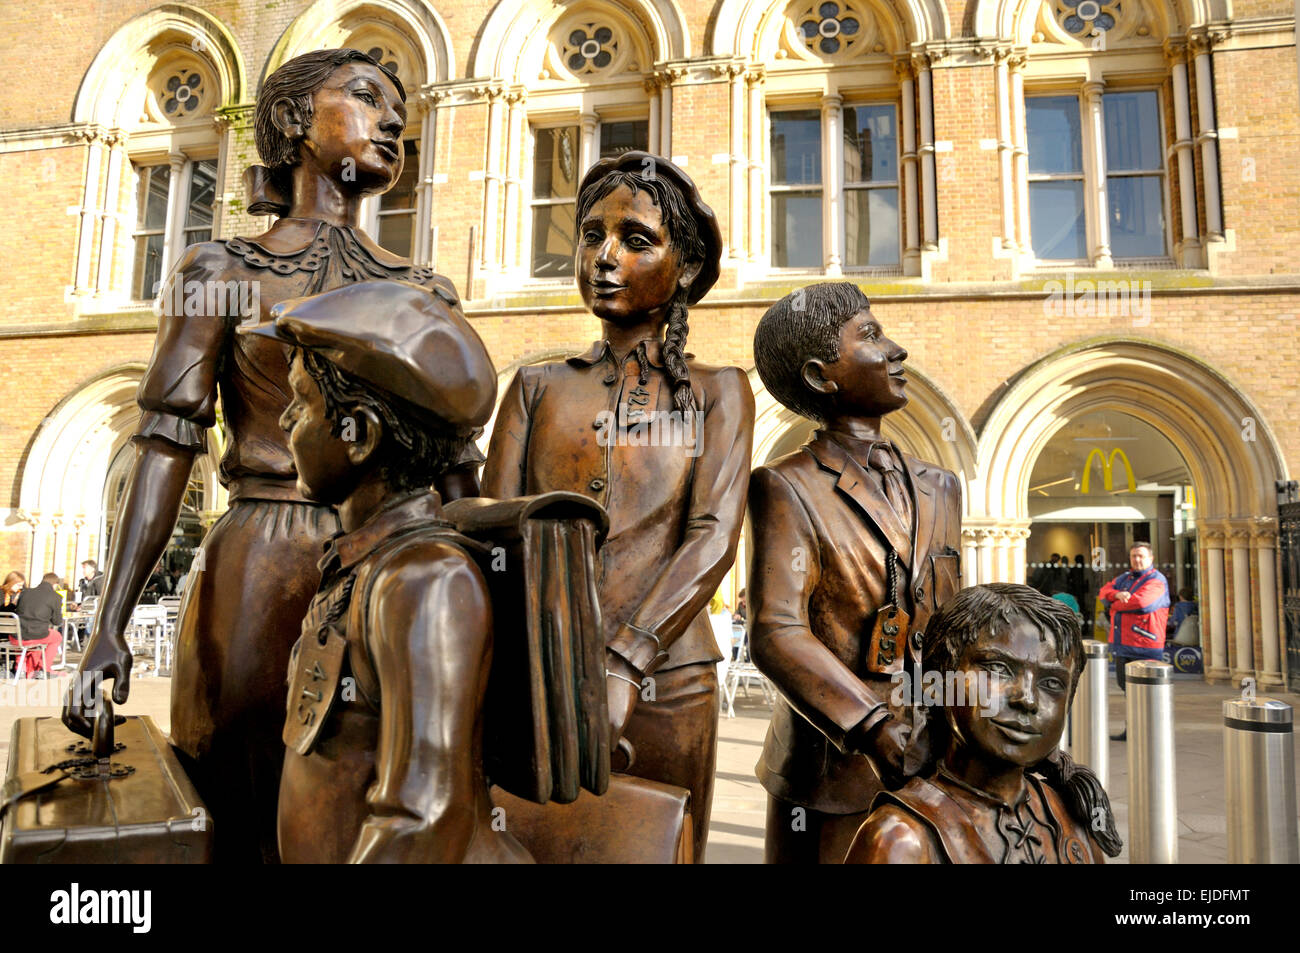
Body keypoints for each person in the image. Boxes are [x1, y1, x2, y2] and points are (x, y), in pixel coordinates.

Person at [65, 48, 481, 864]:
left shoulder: (426, 290)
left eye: (399, 109)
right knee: (242, 796)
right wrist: (106, 626)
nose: (393, 120)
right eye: (365, 98)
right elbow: (165, 439)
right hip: (260, 558)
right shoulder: (220, 270)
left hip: (396, 561)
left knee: (383, 794)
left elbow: (458, 466)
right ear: (294, 120)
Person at [482, 151, 753, 862]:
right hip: (540, 681)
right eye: (592, 235)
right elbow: (493, 531)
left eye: (636, 240)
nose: (605, 257)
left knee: (662, 846)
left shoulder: (719, 391)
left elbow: (713, 534)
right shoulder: (536, 386)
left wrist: (625, 661)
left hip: (668, 684)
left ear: (685, 269)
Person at [244, 279, 530, 863]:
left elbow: (422, 818)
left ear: (360, 436)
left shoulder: (424, 579)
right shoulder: (369, 561)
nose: (284, 422)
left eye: (300, 402)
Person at [747, 282, 963, 864]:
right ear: (822, 376)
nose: (896, 351)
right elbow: (776, 630)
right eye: (870, 336)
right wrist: (873, 728)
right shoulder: (786, 485)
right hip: (830, 775)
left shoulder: (942, 486)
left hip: (936, 759)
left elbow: (953, 617)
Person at [844, 583, 1122, 863]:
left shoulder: (1069, 814)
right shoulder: (901, 841)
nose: (1027, 699)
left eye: (1051, 682)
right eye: (998, 669)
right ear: (937, 683)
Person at [1099, 542, 1170, 741]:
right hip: (1123, 645)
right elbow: (1103, 592)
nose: (1137, 559)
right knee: (1128, 691)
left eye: (1141, 555)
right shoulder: (1125, 578)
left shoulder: (1157, 580)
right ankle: (1133, 730)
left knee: (1149, 694)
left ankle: (1153, 733)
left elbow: (1142, 603)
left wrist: (1113, 606)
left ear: (1151, 558)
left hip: (1146, 646)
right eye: (1133, 556)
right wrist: (1115, 595)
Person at [12, 573, 64, 679]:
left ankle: (21, 668)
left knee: (24, 635)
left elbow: (19, 611)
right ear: (54, 584)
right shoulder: (56, 597)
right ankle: (44, 668)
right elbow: (57, 622)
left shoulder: (25, 592)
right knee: (57, 636)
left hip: (16, 636)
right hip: (36, 636)